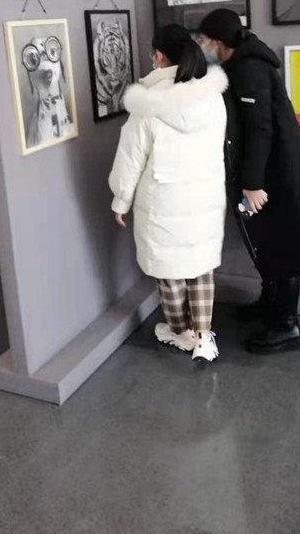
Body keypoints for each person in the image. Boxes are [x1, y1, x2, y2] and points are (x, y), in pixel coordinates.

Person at [197, 9, 300, 354]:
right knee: (268, 242)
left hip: (276, 174)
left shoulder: (250, 69)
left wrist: (252, 183)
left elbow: (259, 128)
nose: (200, 46)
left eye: (203, 40)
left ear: (218, 42)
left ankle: (287, 325)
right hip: (267, 171)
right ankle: (271, 304)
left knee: (284, 245)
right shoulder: (241, 63)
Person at [109, 24, 228, 363]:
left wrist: (121, 199)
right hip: (205, 195)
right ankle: (204, 339)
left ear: (159, 56)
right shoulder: (211, 96)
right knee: (201, 266)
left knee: (169, 269)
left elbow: (131, 157)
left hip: (163, 199)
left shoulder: (148, 103)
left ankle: (180, 333)